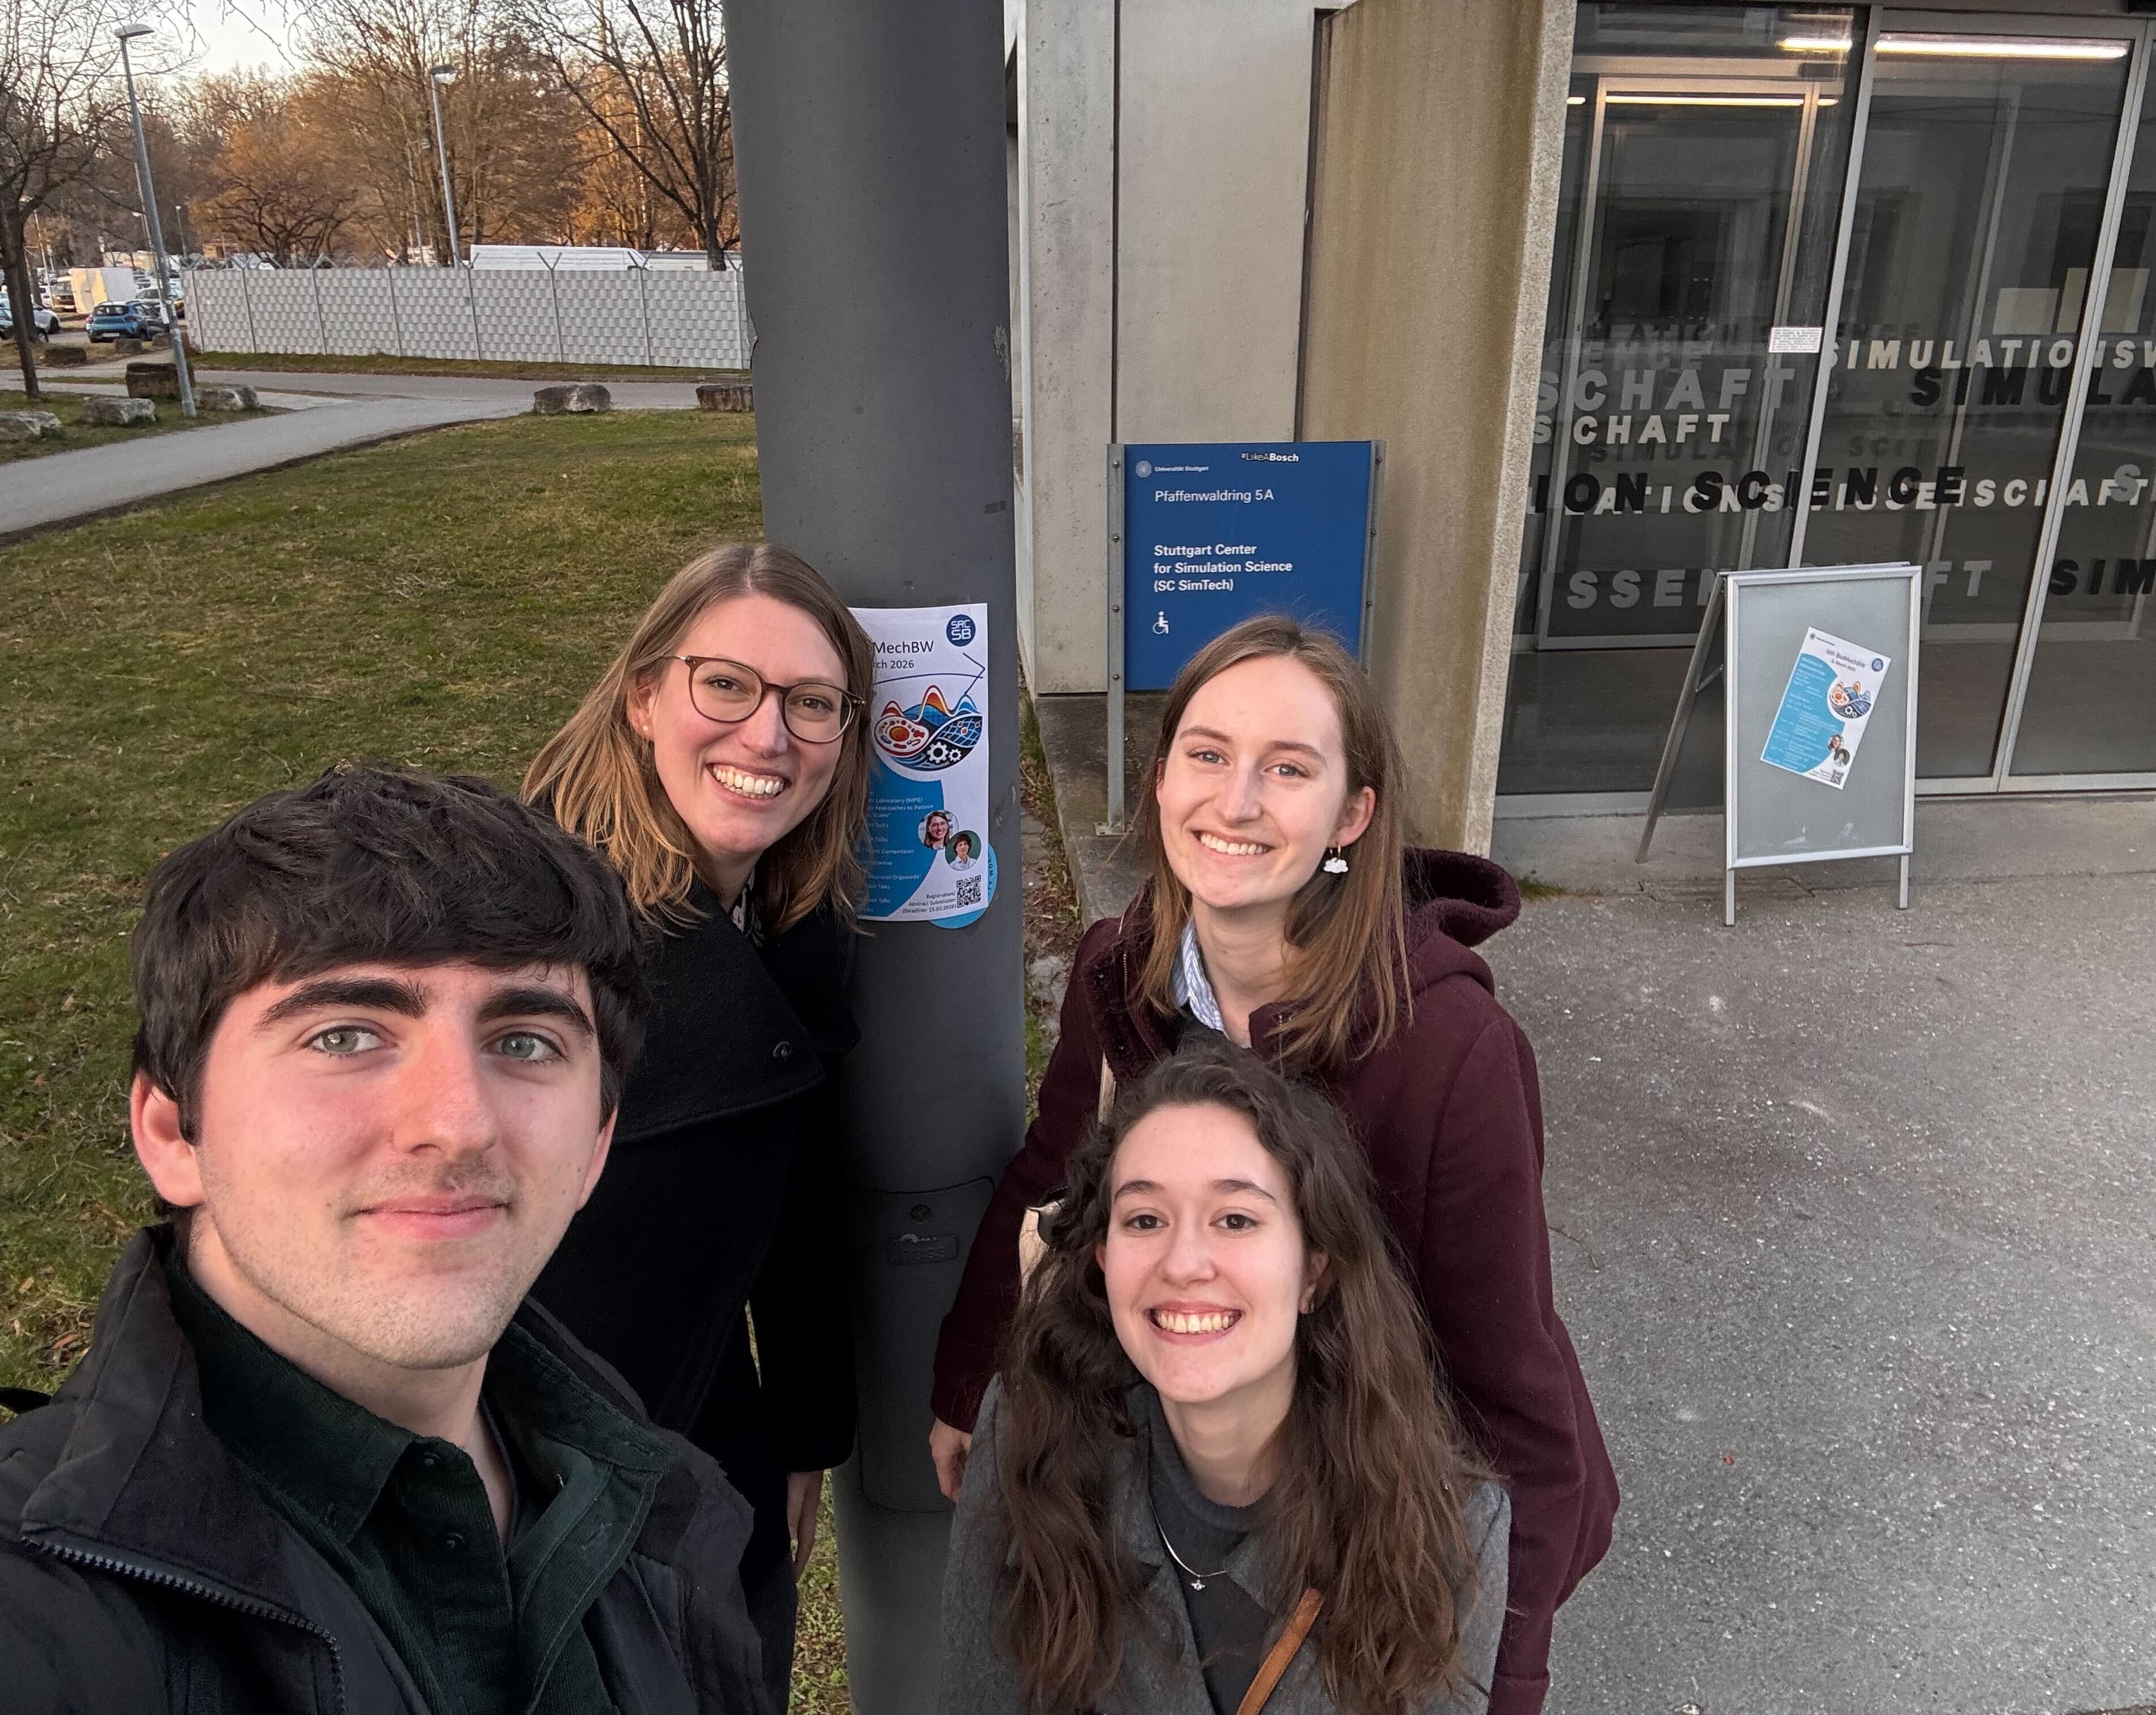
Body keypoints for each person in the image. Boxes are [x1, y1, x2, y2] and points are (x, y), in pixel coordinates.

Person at [930, 615, 1618, 1715]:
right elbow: (1053, 1176)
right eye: (1207, 754)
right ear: (1161, 780)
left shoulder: (1451, 1053)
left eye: (1288, 769)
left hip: (1369, 1504)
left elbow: (1505, 1384)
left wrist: (1508, 1664)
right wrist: (969, 1387)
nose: (1237, 801)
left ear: (1352, 815)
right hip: (1194, 1475)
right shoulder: (1124, 971)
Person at [0, 766, 775, 1714]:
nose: (458, 1124)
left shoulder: (660, 1504)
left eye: (524, 1042)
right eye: (344, 1037)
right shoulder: (41, 1621)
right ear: (173, 1132)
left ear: (596, 1146)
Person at [524, 540, 871, 1697]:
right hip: (562, 1516)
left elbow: (793, 1202)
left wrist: (802, 1439)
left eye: (811, 703)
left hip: (701, 1463)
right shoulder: (535, 937)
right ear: (643, 697)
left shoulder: (774, 923)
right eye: (726, 685)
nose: (767, 737)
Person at [940, 1039, 1510, 1715]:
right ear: (1103, 1258)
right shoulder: (1029, 1437)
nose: (1184, 1263)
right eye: (1145, 1219)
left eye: (1236, 1220)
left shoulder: (1445, 1531)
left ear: (1315, 1268)